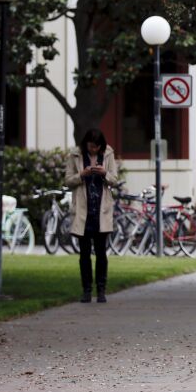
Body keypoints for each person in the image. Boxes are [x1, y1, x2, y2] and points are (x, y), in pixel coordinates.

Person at [64, 129, 120, 303]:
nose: (93, 150)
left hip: (101, 210)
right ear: (85, 144)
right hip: (83, 210)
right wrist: (82, 174)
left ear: (101, 146)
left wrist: (104, 173)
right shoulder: (75, 155)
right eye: (90, 147)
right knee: (84, 253)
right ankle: (86, 290)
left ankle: (101, 290)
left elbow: (114, 180)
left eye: (96, 147)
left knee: (101, 253)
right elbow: (67, 181)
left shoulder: (108, 154)